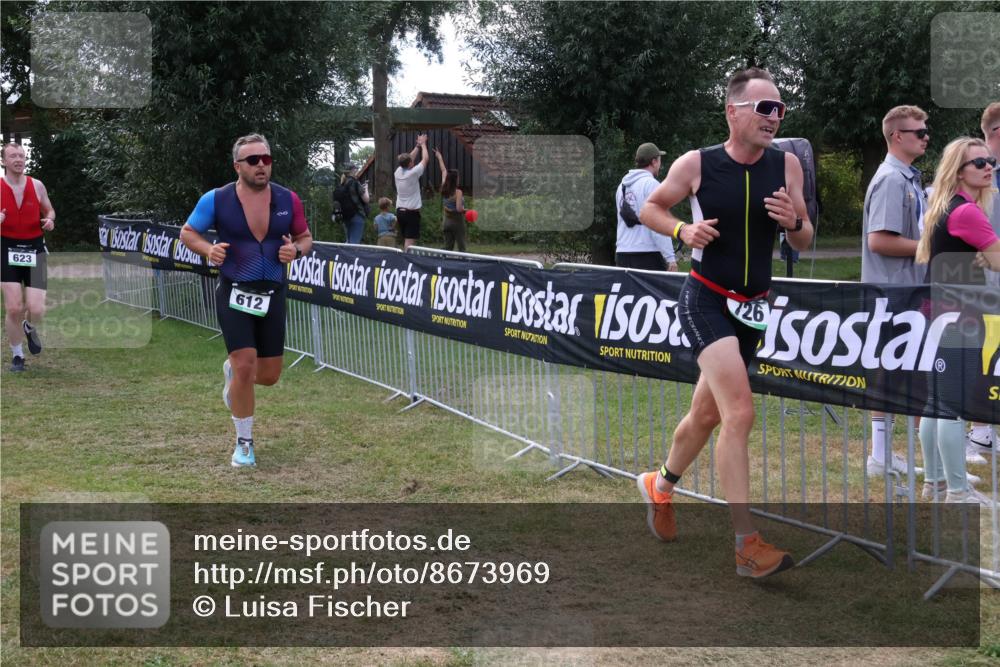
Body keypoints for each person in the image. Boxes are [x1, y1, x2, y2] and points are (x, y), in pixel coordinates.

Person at [636, 68, 813, 578]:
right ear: (732, 111)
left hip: (754, 306)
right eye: (764, 108)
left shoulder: (788, 166)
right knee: (739, 414)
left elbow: (804, 239)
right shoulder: (698, 163)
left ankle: (659, 486)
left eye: (780, 109)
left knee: (707, 416)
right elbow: (650, 206)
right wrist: (681, 228)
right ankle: (746, 545)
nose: (774, 117)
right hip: (706, 299)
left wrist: (794, 224)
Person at [180, 134, 312, 468]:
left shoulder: (288, 199)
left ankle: (235, 376)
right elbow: (187, 233)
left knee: (268, 375)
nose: (261, 166)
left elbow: (305, 237)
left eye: (266, 159)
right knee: (244, 365)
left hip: (273, 294)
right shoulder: (216, 199)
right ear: (237, 165)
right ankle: (244, 443)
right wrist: (208, 249)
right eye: (253, 160)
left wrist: (295, 250)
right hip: (234, 292)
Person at [914, 137, 1000, 506]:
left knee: (937, 403)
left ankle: (935, 484)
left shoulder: (944, 206)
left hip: (939, 315)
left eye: (990, 160)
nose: (988, 167)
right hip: (960, 318)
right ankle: (958, 491)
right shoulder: (966, 212)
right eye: (979, 163)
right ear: (958, 171)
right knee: (953, 406)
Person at [861, 105, 930, 479]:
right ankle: (880, 455)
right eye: (918, 132)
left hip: (905, 288)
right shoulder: (891, 179)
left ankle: (904, 455)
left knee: (908, 372)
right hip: (892, 291)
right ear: (897, 136)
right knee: (888, 372)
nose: (925, 137)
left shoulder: (908, 177)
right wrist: (929, 247)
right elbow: (879, 241)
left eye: (926, 130)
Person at [1, 142, 55, 373]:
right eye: (13, 156)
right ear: (3, 161)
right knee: (13, 307)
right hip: (6, 247)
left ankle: (29, 326)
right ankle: (17, 356)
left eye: (21, 156)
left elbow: (49, 210)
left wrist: (50, 220)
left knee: (36, 308)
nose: (18, 159)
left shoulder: (37, 185)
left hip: (34, 248)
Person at [615, 142, 678, 271]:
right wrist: (670, 258)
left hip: (622, 254)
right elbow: (659, 224)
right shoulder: (652, 185)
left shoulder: (622, 186)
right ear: (654, 162)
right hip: (647, 255)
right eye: (659, 160)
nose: (660, 165)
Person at [394, 134, 429, 249]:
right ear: (409, 164)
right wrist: (423, 145)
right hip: (411, 213)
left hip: (400, 211)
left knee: (406, 239)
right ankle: (406, 263)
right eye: (411, 161)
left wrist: (417, 146)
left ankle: (404, 260)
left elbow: (409, 157)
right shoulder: (413, 173)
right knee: (409, 242)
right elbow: (425, 159)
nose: (413, 161)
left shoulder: (398, 172)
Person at [434, 148, 468, 252]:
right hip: (457, 222)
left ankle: (442, 264)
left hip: (446, 222)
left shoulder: (444, 187)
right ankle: (465, 266)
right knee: (462, 247)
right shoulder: (458, 192)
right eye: (458, 177)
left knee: (447, 247)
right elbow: (458, 209)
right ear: (456, 179)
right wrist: (466, 210)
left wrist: (439, 156)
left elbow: (443, 170)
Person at [335, 164, 369, 244]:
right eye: (356, 169)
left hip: (345, 216)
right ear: (353, 171)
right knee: (354, 243)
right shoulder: (355, 183)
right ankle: (350, 257)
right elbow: (366, 199)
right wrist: (366, 188)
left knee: (348, 241)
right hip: (357, 215)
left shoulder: (342, 184)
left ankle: (344, 256)